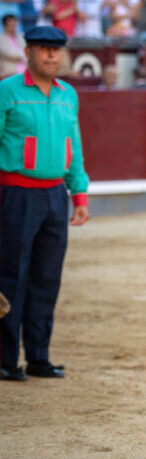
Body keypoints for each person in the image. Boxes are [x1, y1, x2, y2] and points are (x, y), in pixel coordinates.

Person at [0, 26, 89, 382]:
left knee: (46, 277)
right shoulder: (7, 91)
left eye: (56, 50)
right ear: (28, 52)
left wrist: (78, 193)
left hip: (55, 196)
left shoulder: (68, 95)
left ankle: (39, 356)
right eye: (43, 49)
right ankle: (5, 360)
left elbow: (74, 146)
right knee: (11, 276)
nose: (51, 55)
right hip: (15, 194)